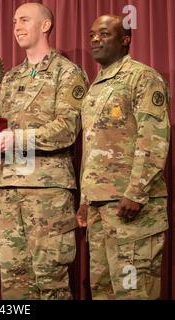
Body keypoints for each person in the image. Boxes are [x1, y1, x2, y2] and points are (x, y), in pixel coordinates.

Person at [0, 3, 88, 300]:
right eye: (14, 21)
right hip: (9, 187)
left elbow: (68, 128)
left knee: (50, 280)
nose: (16, 26)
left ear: (45, 25)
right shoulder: (9, 78)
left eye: (24, 20)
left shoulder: (67, 73)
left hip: (47, 191)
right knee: (14, 280)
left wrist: (18, 138)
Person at [76, 15, 170, 300]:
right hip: (99, 207)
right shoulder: (96, 85)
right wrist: (85, 198)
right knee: (103, 291)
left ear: (125, 40)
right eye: (92, 34)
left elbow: (153, 138)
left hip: (131, 209)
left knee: (133, 292)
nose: (95, 40)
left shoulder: (142, 77)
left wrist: (136, 192)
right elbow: (92, 146)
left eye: (104, 34)